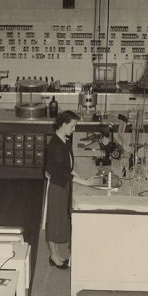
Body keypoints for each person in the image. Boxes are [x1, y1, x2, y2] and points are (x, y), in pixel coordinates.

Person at [45, 110, 95, 270]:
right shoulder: (56, 145)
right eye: (73, 126)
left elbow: (66, 166)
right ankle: (53, 256)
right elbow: (62, 173)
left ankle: (57, 254)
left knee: (59, 219)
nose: (74, 129)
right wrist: (84, 182)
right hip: (57, 187)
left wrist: (77, 174)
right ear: (64, 124)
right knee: (54, 221)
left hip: (62, 185)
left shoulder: (63, 140)